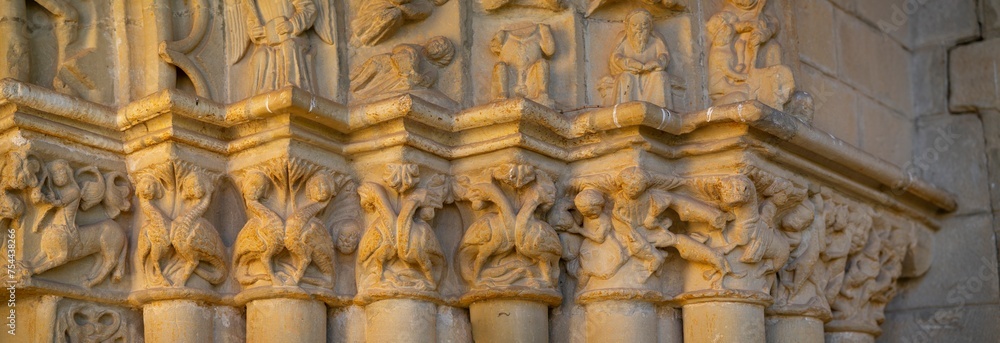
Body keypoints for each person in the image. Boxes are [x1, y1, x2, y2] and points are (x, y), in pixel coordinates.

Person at [603, 9, 672, 108]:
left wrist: (657, 62)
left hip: (650, 75)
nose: (640, 29)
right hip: (630, 73)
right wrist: (626, 63)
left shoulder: (656, 39)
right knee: (625, 77)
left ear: (650, 27)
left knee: (660, 76)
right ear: (628, 27)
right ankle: (625, 109)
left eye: (644, 25)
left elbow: (664, 55)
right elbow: (615, 57)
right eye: (635, 25)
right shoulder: (622, 38)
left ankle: (658, 110)